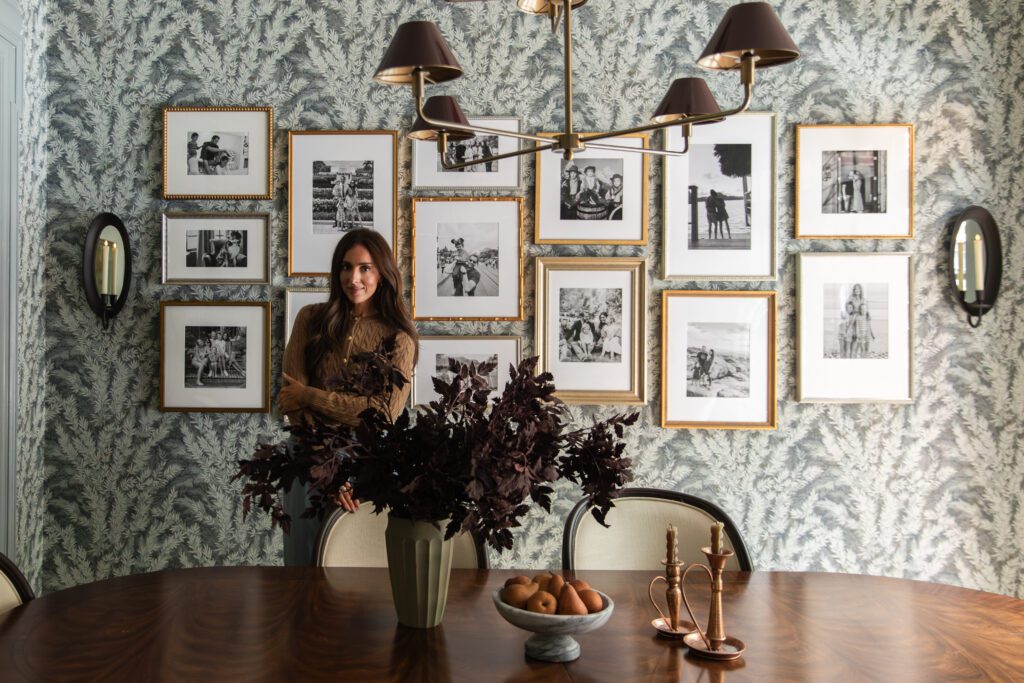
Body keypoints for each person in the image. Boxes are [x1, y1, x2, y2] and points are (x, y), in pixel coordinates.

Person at [280, 229, 419, 566]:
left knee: (359, 578)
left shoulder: (399, 338)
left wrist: (309, 394)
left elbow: (381, 415)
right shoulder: (310, 319)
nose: (353, 278)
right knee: (304, 572)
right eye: (345, 267)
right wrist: (327, 470)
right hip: (308, 463)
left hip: (368, 469)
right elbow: (289, 401)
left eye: (364, 268)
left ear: (382, 273)